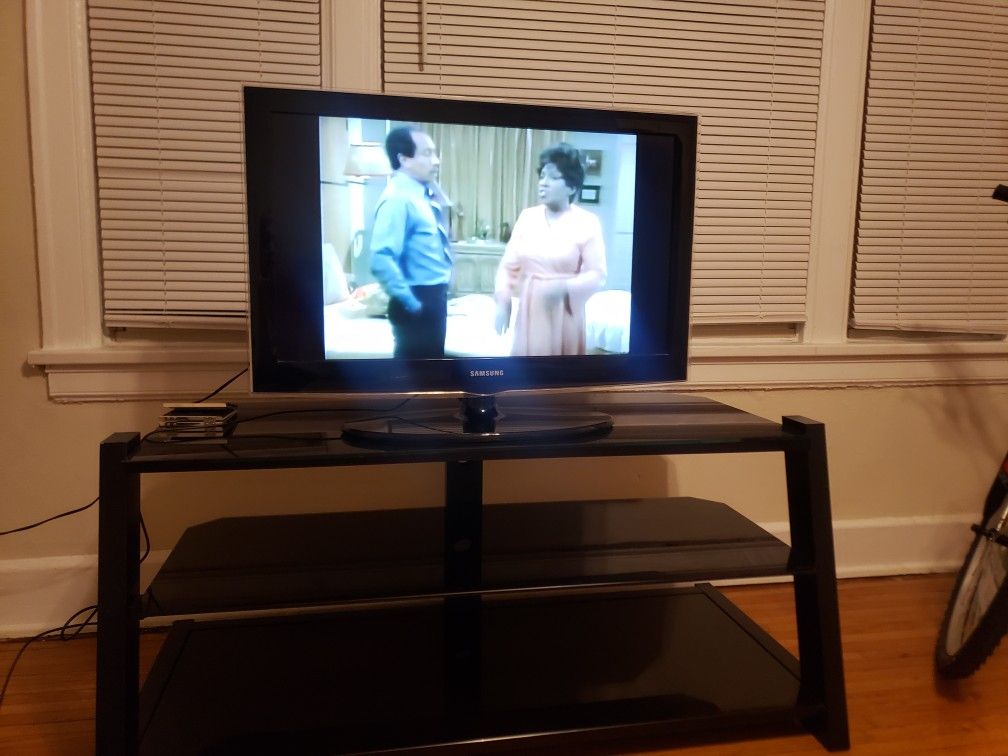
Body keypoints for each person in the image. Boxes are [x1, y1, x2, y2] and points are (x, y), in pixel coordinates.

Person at [493, 143, 606, 356]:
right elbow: (508, 267)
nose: (543, 183)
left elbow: (597, 275)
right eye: (542, 176)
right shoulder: (527, 217)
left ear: (571, 187)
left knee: (559, 371)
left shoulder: (587, 222)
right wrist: (503, 301)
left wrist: (562, 288)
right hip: (531, 307)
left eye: (553, 178)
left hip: (565, 310)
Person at [369, 126, 452, 358]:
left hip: (433, 298)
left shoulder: (421, 194)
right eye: (427, 153)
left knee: (433, 370)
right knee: (416, 375)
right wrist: (412, 303)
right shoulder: (398, 199)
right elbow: (380, 259)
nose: (436, 161)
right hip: (417, 299)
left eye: (435, 153)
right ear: (404, 159)